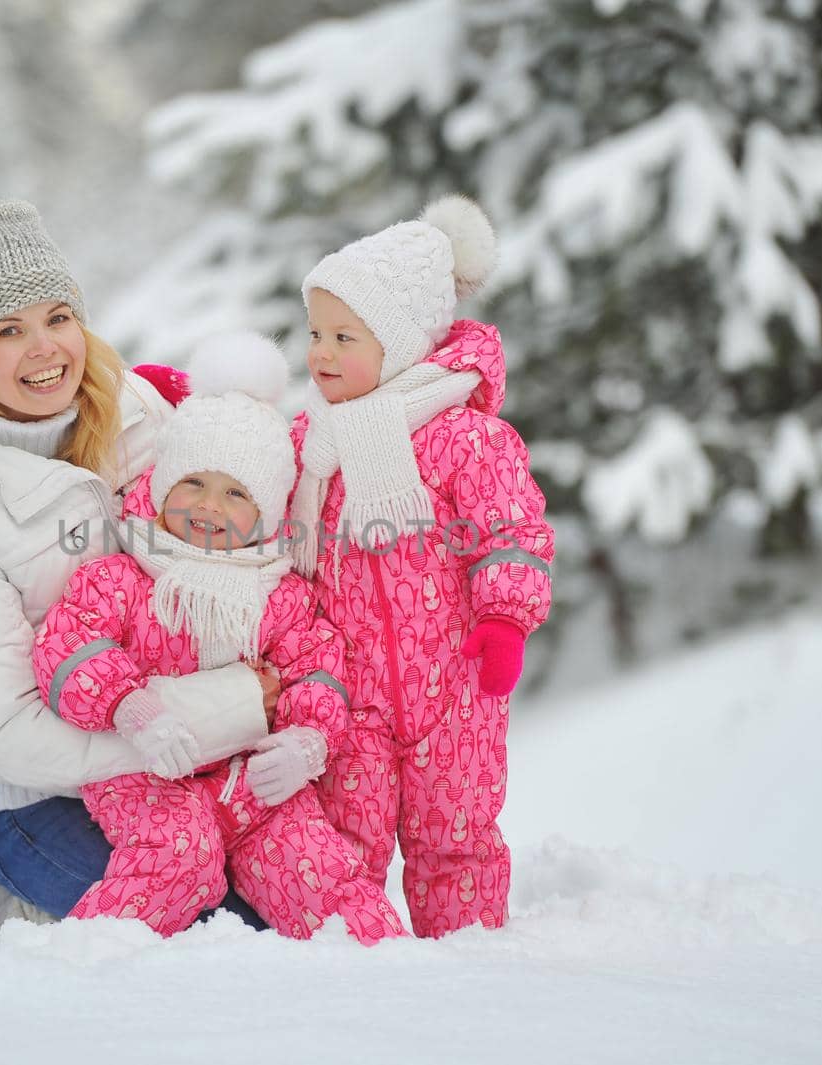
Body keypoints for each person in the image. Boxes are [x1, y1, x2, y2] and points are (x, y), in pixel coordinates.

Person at [0, 193, 275, 937]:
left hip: (195, 774)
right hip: (42, 800)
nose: (46, 350)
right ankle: (31, 908)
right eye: (9, 329)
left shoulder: (132, 407)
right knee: (215, 933)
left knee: (288, 907)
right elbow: (10, 729)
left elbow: (239, 524)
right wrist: (233, 708)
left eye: (58, 318)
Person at [31, 334, 407, 944]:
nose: (209, 506)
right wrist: (128, 705)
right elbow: (67, 646)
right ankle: (80, 966)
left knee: (315, 867)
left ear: (266, 512)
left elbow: (318, 669)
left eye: (236, 493)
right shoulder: (124, 575)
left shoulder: (278, 594)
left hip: (255, 786)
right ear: (161, 489)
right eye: (193, 483)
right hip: (147, 776)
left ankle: (389, 973)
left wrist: (308, 745)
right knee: (178, 853)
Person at [288, 196, 556, 937]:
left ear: (402, 343)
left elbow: (511, 528)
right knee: (347, 841)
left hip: (455, 691)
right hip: (354, 697)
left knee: (455, 844)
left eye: (345, 336)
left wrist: (505, 617)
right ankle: (359, 977)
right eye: (315, 333)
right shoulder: (315, 448)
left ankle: (465, 981)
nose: (321, 353)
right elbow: (248, 496)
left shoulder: (464, 439)